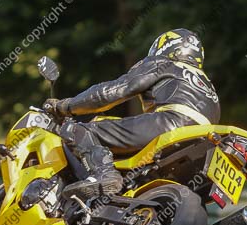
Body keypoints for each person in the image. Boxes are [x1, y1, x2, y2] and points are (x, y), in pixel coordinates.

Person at [44, 28, 219, 199]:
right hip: (204, 141)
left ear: (166, 46)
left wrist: (65, 106)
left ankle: (104, 175)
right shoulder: (208, 85)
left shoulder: (164, 63)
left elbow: (114, 91)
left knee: (78, 131)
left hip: (169, 124)